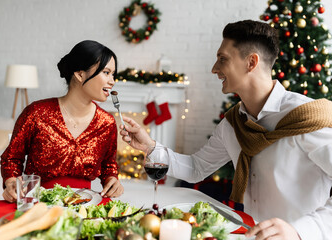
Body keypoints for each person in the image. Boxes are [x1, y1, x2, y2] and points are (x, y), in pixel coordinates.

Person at [119, 20, 332, 240]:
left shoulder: (307, 118)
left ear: (251, 62)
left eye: (223, 59)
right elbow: (196, 168)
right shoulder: (233, 124)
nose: (214, 69)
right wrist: (150, 146)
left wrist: (300, 231)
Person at [1, 40, 124, 202]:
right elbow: (11, 159)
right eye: (106, 72)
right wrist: (11, 182)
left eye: (113, 74)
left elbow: (109, 166)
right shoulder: (36, 114)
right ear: (80, 74)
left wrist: (112, 180)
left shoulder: (107, 122)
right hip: (38, 205)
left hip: (84, 207)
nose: (112, 81)